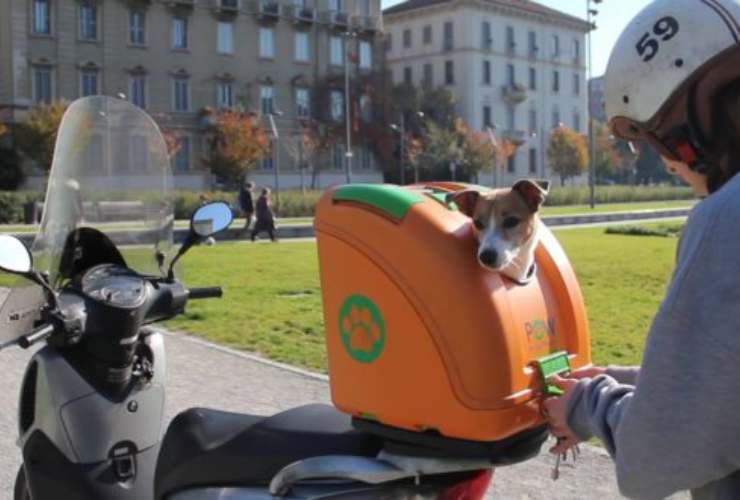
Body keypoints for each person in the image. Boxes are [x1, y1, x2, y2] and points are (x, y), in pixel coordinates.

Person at [542, 1, 740, 499]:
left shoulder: (726, 217)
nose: (670, 165)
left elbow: (655, 461)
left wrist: (588, 402)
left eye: (656, 142)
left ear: (690, 128)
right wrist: (633, 382)